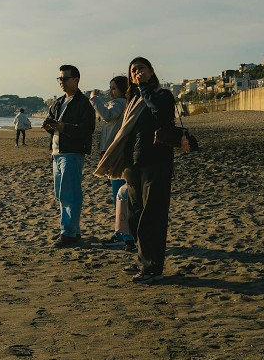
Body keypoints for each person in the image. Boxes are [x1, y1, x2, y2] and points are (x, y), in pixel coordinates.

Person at [93, 56, 178, 283]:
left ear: (151, 71)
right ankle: (142, 260)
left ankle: (152, 268)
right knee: (136, 216)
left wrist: (144, 89)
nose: (137, 72)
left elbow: (161, 115)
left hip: (156, 161)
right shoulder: (133, 100)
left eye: (141, 68)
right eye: (133, 70)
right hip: (134, 164)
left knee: (153, 216)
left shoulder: (161, 95)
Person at [43, 64, 96, 247]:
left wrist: (63, 127)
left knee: (69, 193)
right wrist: (50, 127)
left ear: (76, 80)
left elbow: (88, 129)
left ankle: (69, 233)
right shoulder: (58, 102)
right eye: (60, 79)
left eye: (65, 78)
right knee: (61, 193)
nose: (62, 82)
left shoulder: (83, 104)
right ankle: (71, 230)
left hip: (72, 152)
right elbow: (52, 123)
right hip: (58, 152)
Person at [90, 75, 134, 250]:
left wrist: (94, 99)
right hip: (121, 152)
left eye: (114, 88)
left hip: (115, 154)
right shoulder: (128, 105)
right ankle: (123, 234)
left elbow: (107, 116)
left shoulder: (119, 103)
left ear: (123, 90)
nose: (111, 91)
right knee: (122, 195)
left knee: (119, 196)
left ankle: (123, 235)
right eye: (110, 88)